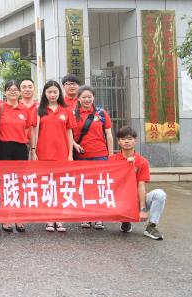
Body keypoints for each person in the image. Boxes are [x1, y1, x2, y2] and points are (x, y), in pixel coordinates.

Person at [31, 80, 76, 233]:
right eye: (49, 92)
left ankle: (60, 218)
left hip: (62, 154)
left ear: (59, 93)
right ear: (45, 93)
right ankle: (49, 219)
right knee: (47, 186)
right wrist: (33, 151)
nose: (52, 95)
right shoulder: (39, 110)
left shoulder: (66, 110)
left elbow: (69, 132)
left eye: (55, 92)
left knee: (61, 186)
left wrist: (70, 154)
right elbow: (34, 132)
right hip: (43, 154)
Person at [111, 127, 166, 240]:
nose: (126, 141)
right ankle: (126, 221)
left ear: (135, 141)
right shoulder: (111, 160)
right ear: (118, 141)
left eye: (130, 139)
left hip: (135, 201)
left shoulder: (142, 162)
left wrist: (143, 209)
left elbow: (141, 186)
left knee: (160, 194)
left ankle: (151, 227)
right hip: (118, 201)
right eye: (123, 139)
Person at [72, 85, 114, 230]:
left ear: (93, 97)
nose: (87, 99)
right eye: (83, 97)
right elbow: (68, 133)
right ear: (78, 99)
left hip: (100, 155)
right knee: (83, 186)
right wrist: (75, 145)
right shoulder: (73, 114)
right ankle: (85, 215)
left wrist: (110, 154)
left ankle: (98, 216)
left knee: (99, 185)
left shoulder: (101, 113)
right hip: (82, 155)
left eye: (89, 97)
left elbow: (108, 134)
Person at [0, 80, 32, 233]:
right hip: (4, 148)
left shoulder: (25, 109)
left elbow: (28, 130)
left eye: (15, 89)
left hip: (20, 148)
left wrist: (30, 146)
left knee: (20, 183)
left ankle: (19, 218)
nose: (13, 91)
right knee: (5, 184)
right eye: (10, 89)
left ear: (19, 92)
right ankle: (5, 218)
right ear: (5, 92)